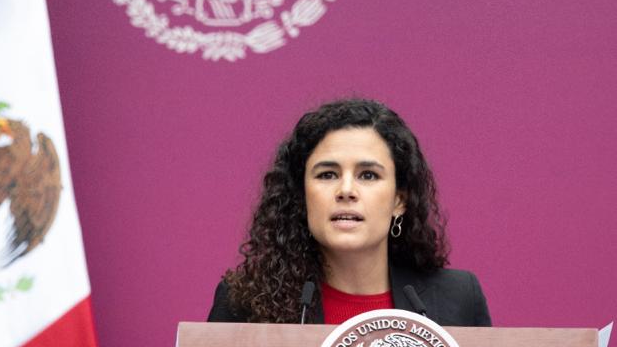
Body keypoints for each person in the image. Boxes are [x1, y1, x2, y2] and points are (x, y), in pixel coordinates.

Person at [208, 98, 490, 326]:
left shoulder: (459, 297)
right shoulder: (244, 303)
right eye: (327, 174)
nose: (346, 190)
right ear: (302, 196)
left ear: (399, 200)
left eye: (368, 175)